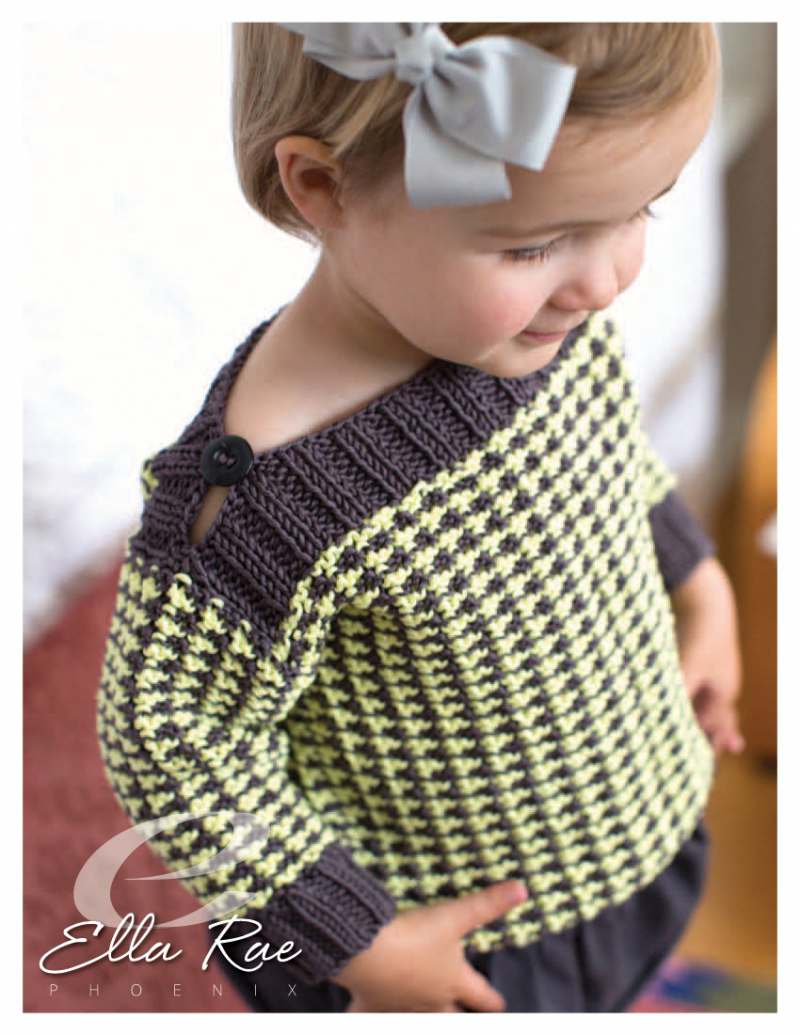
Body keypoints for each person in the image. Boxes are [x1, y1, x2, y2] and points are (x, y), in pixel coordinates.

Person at [96, 22, 745, 1013]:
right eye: (532, 244)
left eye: (639, 209)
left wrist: (697, 583)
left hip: (623, 816)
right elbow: (164, 732)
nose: (604, 279)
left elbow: (610, 456)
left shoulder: (540, 324)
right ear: (324, 187)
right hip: (453, 943)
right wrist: (353, 938)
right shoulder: (264, 501)